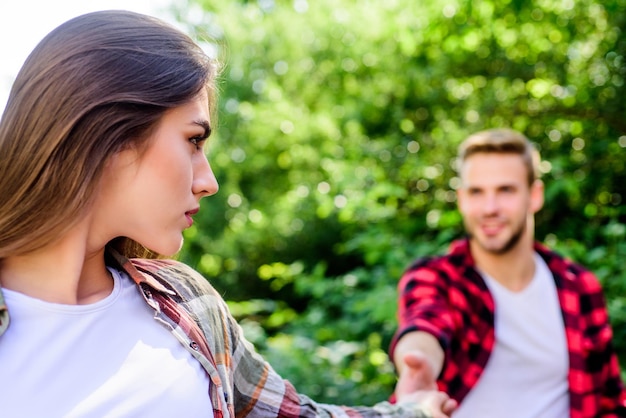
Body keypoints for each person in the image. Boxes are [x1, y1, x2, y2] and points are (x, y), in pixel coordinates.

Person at [0, 10, 458, 418]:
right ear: (111, 135)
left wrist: (414, 411)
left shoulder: (187, 303)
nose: (209, 181)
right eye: (194, 141)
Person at [389, 128, 626, 417]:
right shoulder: (438, 278)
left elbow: (610, 402)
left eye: (506, 190)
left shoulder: (578, 287)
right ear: (462, 199)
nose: (490, 208)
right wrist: (419, 364)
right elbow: (424, 323)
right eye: (477, 192)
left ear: (534, 195)